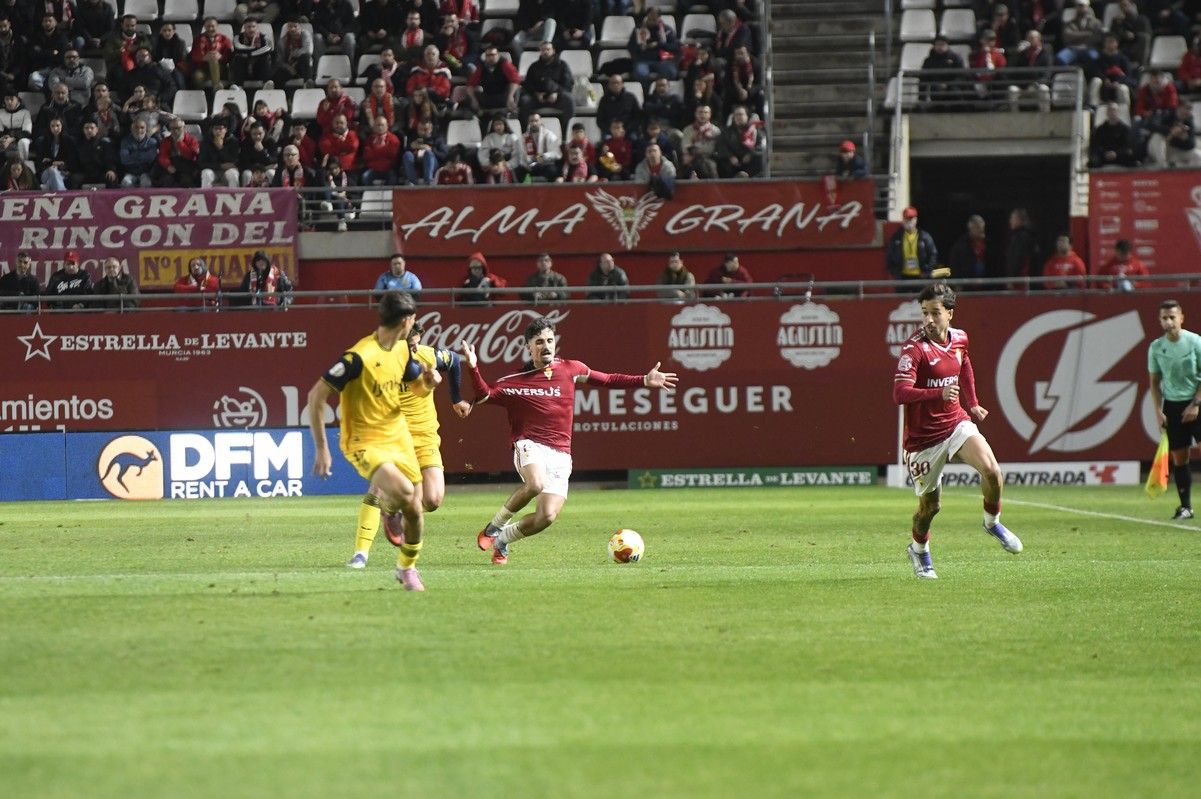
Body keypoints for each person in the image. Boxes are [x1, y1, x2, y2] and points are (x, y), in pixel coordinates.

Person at [460, 318, 679, 564]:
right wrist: (473, 367)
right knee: (535, 484)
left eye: (550, 340)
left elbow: (606, 380)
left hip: (561, 454)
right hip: (529, 444)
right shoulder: (516, 382)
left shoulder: (571, 369)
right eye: (539, 342)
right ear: (528, 347)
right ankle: (493, 528)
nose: (546, 346)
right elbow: (484, 394)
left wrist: (643, 380)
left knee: (547, 516)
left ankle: (503, 540)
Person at [893, 281, 1023, 580]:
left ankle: (992, 522)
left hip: (955, 424)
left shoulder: (960, 338)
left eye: (935, 313)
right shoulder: (914, 350)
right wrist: (936, 394)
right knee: (930, 507)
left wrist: (973, 403)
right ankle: (919, 549)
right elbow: (900, 393)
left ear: (949, 314)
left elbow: (964, 365)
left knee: (992, 471)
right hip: (922, 440)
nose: (928, 320)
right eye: (924, 313)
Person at [307, 291, 428, 591]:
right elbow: (315, 396)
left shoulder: (402, 351)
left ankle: (406, 568)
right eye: (414, 318)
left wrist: (430, 383)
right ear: (405, 320)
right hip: (364, 441)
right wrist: (322, 447)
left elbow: (418, 389)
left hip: (398, 436)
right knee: (402, 491)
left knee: (415, 508)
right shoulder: (358, 357)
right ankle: (387, 510)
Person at [394, 322, 471, 517]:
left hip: (425, 436)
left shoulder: (426, 356)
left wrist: (456, 399)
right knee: (394, 491)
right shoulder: (380, 364)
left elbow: (453, 359)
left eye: (416, 344)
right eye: (410, 346)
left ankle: (397, 513)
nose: (415, 349)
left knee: (433, 500)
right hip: (394, 439)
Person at [1148, 299, 1201, 520]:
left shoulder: (1195, 342)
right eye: (1164, 318)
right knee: (1180, 456)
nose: (1169, 322)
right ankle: (1186, 507)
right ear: (1159, 320)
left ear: (1181, 318)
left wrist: (1196, 403)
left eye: (1172, 317)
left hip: (1196, 401)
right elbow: (1154, 381)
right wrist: (1158, 411)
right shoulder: (1156, 347)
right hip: (1173, 405)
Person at [885, 206, 938, 284]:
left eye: (911, 219)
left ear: (916, 220)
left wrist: (927, 272)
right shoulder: (896, 238)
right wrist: (896, 273)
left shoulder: (925, 237)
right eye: (906, 219)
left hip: (921, 277)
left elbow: (933, 254)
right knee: (903, 296)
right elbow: (889, 257)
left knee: (921, 296)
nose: (909, 222)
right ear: (902, 220)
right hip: (903, 278)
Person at [947, 214, 989, 287]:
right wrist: (958, 284)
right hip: (967, 286)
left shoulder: (989, 244)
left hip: (987, 286)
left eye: (982, 228)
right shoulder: (960, 245)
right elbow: (954, 266)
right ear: (970, 228)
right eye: (977, 227)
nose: (980, 230)